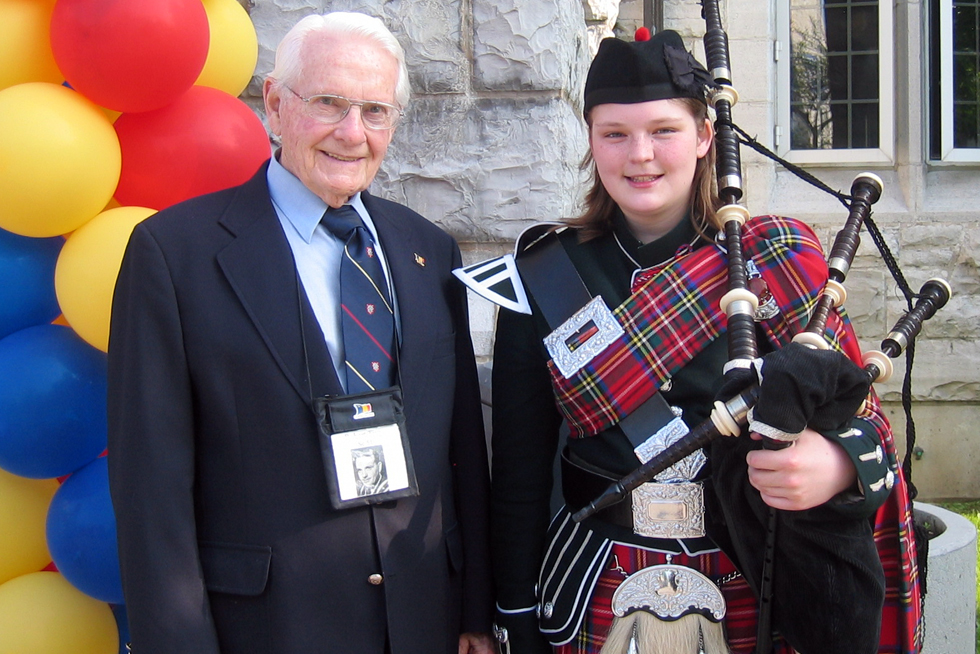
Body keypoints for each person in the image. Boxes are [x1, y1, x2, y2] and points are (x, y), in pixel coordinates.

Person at [486, 30, 922, 654]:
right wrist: (515, 611)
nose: (640, 154)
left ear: (704, 137)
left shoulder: (776, 261)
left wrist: (835, 464)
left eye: (664, 130)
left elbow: (867, 422)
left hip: (752, 575)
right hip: (593, 582)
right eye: (615, 133)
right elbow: (519, 471)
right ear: (591, 140)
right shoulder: (544, 274)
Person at [107, 12, 494, 654]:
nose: (352, 133)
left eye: (375, 111)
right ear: (275, 104)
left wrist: (476, 612)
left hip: (423, 618)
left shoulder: (429, 250)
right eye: (329, 103)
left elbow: (463, 450)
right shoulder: (174, 257)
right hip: (266, 626)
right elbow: (151, 491)